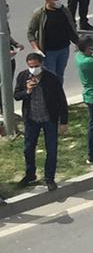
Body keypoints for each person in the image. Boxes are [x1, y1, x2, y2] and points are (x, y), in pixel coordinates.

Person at [14, 52, 67, 192]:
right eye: (31, 66)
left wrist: (64, 121)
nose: (33, 69)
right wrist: (27, 91)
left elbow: (61, 99)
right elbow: (17, 95)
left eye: (36, 66)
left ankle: (49, 178)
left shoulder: (51, 78)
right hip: (32, 119)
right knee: (28, 148)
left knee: (51, 150)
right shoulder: (23, 76)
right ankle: (30, 175)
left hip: (49, 119)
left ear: (41, 64)